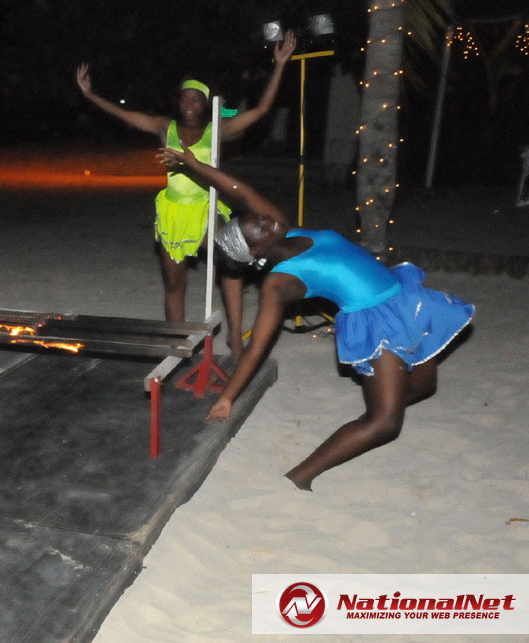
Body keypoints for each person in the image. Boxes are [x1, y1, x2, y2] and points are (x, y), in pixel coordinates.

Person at [159, 145, 475, 491]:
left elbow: (242, 192)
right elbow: (256, 350)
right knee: (385, 422)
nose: (266, 220)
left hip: (403, 297)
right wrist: (227, 397)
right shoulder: (280, 284)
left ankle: (388, 393)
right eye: (259, 227)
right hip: (375, 323)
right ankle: (299, 477)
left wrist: (196, 165)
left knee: (426, 385)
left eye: (259, 218)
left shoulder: (282, 230)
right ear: (256, 253)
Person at [75, 32, 296, 356]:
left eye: (196, 99)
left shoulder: (217, 128)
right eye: (184, 98)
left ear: (205, 104)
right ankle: (175, 344)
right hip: (174, 212)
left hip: (206, 207)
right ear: (177, 101)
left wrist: (279, 65)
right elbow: (124, 115)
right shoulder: (165, 127)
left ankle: (235, 337)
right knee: (174, 285)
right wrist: (90, 94)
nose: (190, 104)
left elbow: (262, 110)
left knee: (232, 263)